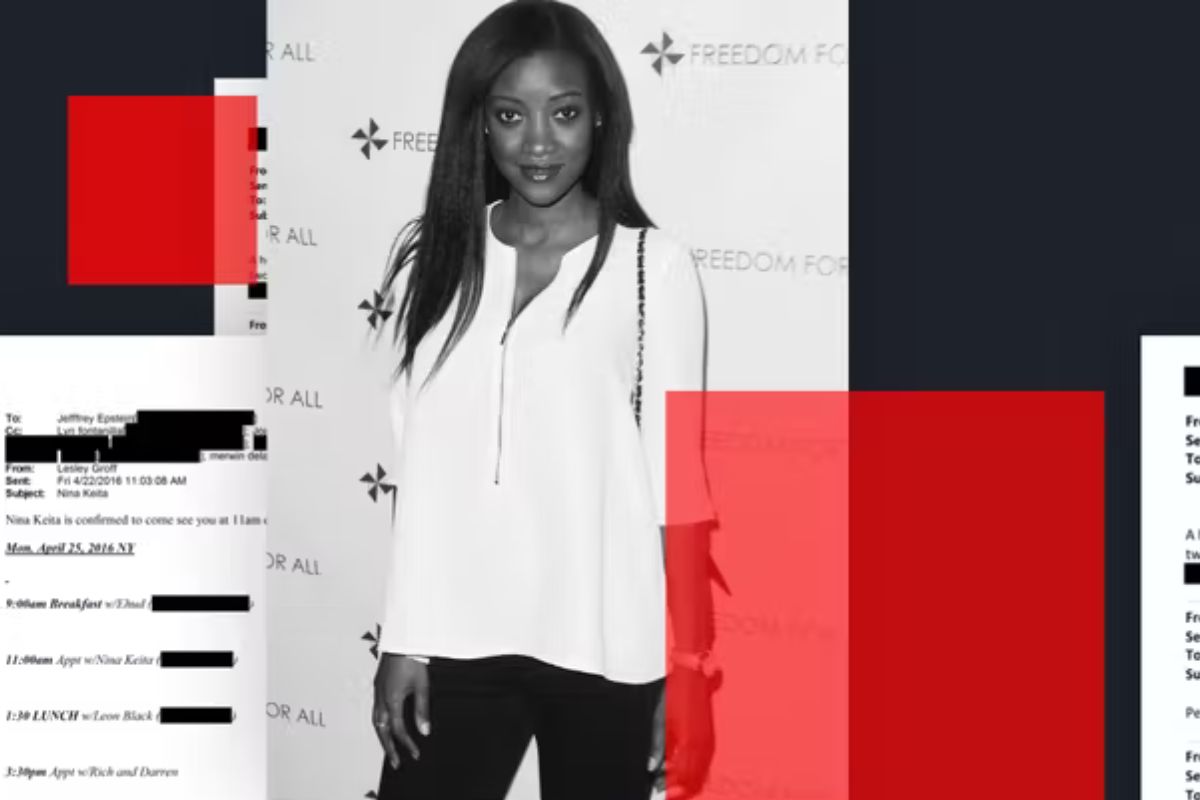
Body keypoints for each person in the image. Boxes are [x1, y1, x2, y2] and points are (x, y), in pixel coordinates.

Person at [371, 1, 719, 797]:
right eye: (509, 115)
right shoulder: (436, 258)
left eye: (562, 113)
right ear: (479, 125)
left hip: (604, 643)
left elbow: (680, 490)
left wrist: (691, 668)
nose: (537, 143)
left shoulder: (653, 269)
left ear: (599, 117)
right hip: (455, 640)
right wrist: (404, 638)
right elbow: (420, 474)